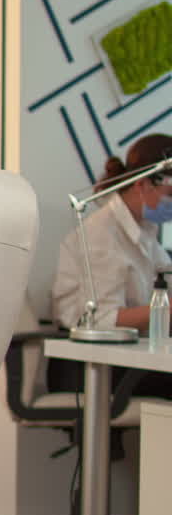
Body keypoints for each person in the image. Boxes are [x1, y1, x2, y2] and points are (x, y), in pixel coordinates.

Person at [52, 133, 172, 396]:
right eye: (171, 194)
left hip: (128, 362)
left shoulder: (146, 233)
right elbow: (101, 320)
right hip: (90, 368)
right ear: (143, 185)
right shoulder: (101, 235)